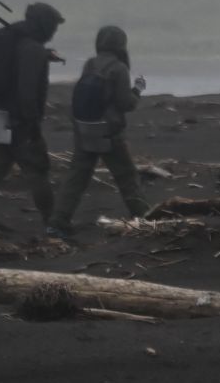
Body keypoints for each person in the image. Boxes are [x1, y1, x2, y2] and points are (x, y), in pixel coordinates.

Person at [0, 2, 64, 233]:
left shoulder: (11, 40)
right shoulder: (31, 49)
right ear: (45, 25)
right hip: (20, 121)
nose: (54, 31)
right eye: (53, 26)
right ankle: (52, 223)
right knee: (37, 171)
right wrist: (32, 126)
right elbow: (27, 91)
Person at [49, 25, 152, 236]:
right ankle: (145, 220)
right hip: (109, 132)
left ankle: (57, 222)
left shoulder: (90, 63)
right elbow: (126, 103)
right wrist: (138, 89)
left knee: (77, 176)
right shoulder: (119, 68)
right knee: (126, 176)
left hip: (84, 128)